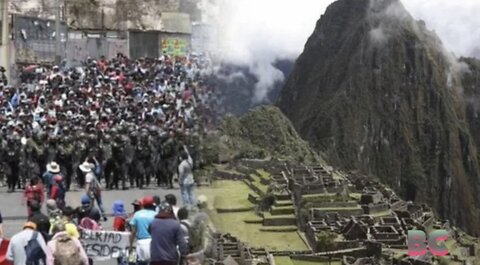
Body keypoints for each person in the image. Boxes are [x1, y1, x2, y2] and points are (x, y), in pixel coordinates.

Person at [128, 196, 156, 265]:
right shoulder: (156, 215)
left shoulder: (137, 214)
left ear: (143, 204)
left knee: (132, 261)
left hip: (139, 242)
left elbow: (133, 232)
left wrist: (130, 245)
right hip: (153, 242)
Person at [178, 145, 195, 210]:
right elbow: (188, 155)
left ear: (181, 157)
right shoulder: (190, 161)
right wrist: (185, 148)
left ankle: (186, 206)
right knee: (191, 193)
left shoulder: (182, 165)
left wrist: (180, 181)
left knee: (184, 193)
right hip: (191, 179)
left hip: (184, 181)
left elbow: (181, 174)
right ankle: (193, 206)